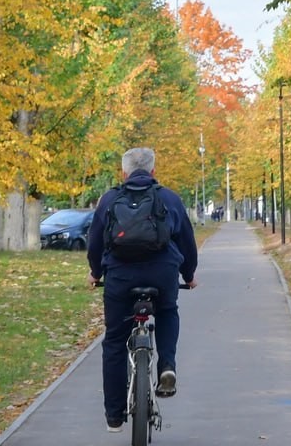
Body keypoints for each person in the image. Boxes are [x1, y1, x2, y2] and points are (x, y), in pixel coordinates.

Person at [87, 147, 198, 433]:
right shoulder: (169, 198)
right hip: (162, 273)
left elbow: (95, 243)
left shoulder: (109, 199)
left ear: (123, 173)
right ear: (153, 171)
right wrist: (189, 274)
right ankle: (167, 366)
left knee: (114, 341)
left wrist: (96, 273)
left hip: (120, 277)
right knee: (167, 311)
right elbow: (187, 241)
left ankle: (114, 416)